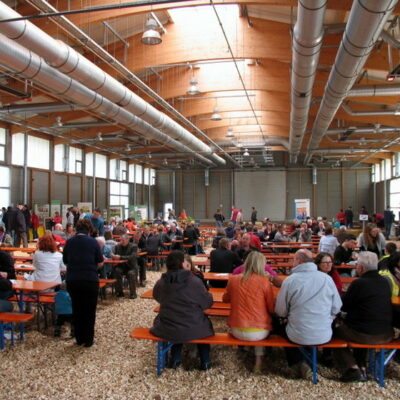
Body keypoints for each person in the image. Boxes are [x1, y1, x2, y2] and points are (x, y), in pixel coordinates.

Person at [275, 249, 342, 378]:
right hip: (324, 334)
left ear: (299, 261)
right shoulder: (327, 279)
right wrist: (327, 317)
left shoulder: (290, 281)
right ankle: (306, 363)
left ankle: (298, 363)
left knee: (280, 327)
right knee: (301, 327)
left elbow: (280, 312)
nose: (292, 262)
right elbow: (337, 307)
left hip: (297, 334)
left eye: (293, 259)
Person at [334, 252, 394, 382]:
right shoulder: (385, 282)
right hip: (386, 333)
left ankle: (351, 368)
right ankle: (362, 365)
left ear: (360, 268)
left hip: (365, 334)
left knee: (332, 333)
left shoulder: (359, 283)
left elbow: (344, 306)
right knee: (362, 324)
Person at [151, 251, 214, 370]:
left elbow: (157, 297)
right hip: (193, 325)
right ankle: (205, 360)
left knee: (176, 324)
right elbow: (207, 303)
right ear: (181, 263)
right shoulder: (194, 281)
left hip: (167, 325)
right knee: (202, 326)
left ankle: (176, 359)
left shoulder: (161, 282)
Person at [223, 251, 275, 372]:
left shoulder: (233, 279)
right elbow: (271, 308)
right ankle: (258, 362)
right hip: (258, 331)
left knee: (254, 325)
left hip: (237, 328)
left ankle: (245, 348)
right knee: (262, 326)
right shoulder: (264, 282)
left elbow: (225, 299)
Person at [62, 219, 103, 347]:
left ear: (76, 228)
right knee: (89, 310)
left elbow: (65, 261)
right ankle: (88, 339)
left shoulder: (69, 242)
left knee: (77, 308)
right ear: (89, 229)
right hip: (90, 279)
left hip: (73, 279)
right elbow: (100, 262)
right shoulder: (93, 242)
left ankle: (79, 338)